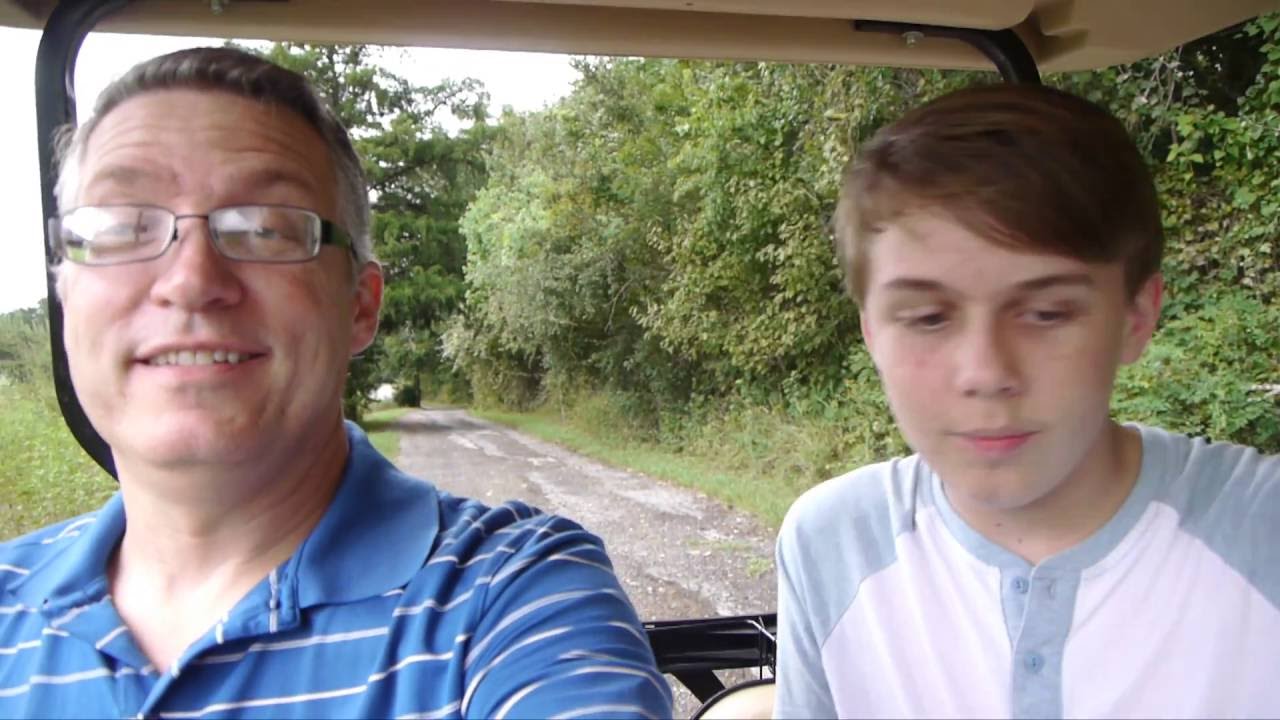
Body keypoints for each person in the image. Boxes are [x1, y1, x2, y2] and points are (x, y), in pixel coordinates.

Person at [0, 47, 671, 718]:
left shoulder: (513, 596)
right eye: (122, 227)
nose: (191, 282)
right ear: (65, 292)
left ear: (360, 305)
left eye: (265, 229)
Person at [774, 83, 1280, 719]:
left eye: (1046, 313)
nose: (986, 373)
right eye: (928, 317)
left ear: (1136, 318)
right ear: (872, 332)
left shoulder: (1263, 532)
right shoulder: (833, 542)